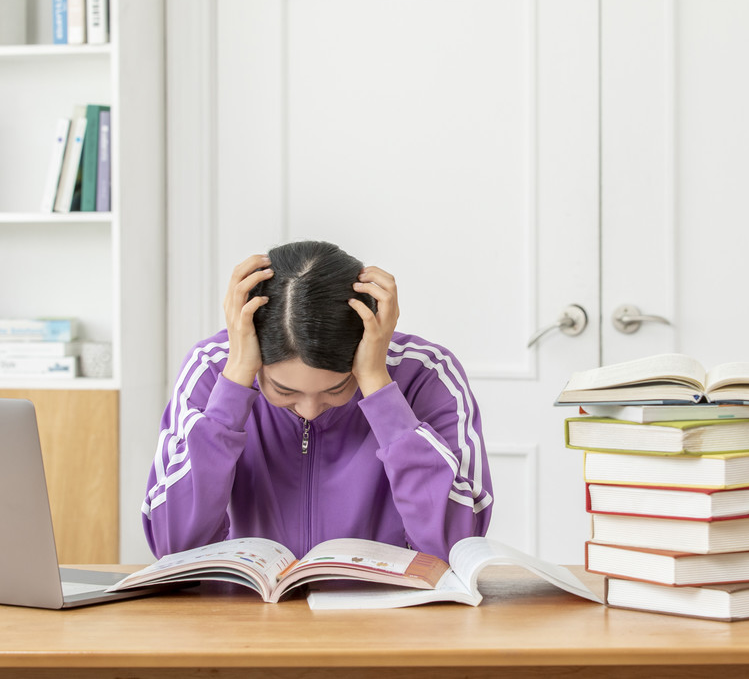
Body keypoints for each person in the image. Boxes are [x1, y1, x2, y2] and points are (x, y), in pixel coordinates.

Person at [141, 240, 494, 561]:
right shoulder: (212, 369)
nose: (309, 409)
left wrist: (378, 388)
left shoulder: (426, 373)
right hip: (245, 618)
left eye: (336, 388)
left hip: (387, 619)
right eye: (284, 391)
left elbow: (456, 547)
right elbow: (173, 547)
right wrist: (234, 383)